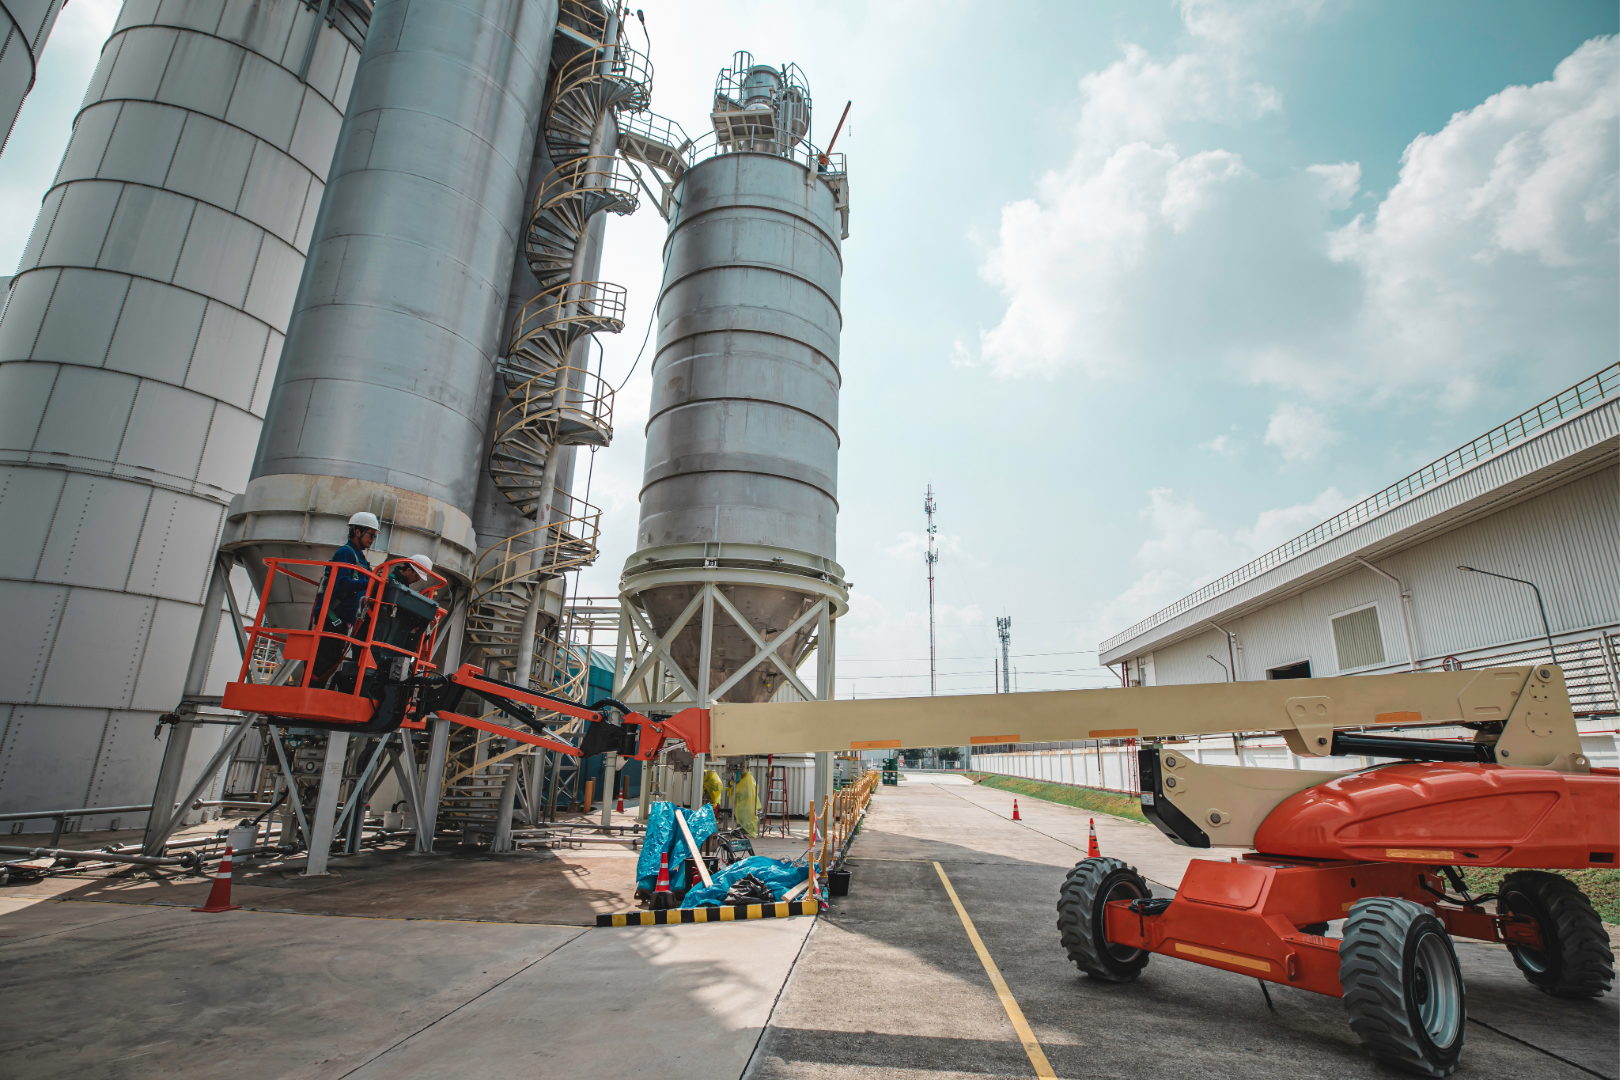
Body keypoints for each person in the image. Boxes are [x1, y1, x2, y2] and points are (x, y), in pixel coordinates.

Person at [311, 512, 380, 686]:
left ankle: (318, 695)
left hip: (344, 619)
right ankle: (311, 695)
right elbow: (341, 583)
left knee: (333, 661)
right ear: (357, 531)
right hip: (332, 615)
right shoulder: (345, 553)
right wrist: (369, 581)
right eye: (370, 534)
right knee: (323, 661)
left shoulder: (361, 559)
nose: (373, 539)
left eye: (375, 536)